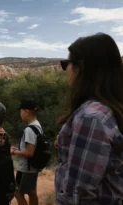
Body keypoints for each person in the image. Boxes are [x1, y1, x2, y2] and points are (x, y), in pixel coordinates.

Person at [55, 33, 123, 204]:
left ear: (81, 68)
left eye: (65, 64)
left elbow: (79, 195)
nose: (65, 70)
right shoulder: (109, 110)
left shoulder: (91, 118)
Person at [10, 100, 42, 205]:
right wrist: (18, 149)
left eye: (21, 111)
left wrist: (14, 152)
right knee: (32, 192)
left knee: (17, 192)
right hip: (33, 167)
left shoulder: (29, 129)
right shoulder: (37, 125)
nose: (20, 114)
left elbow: (29, 152)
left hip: (25, 168)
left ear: (27, 112)